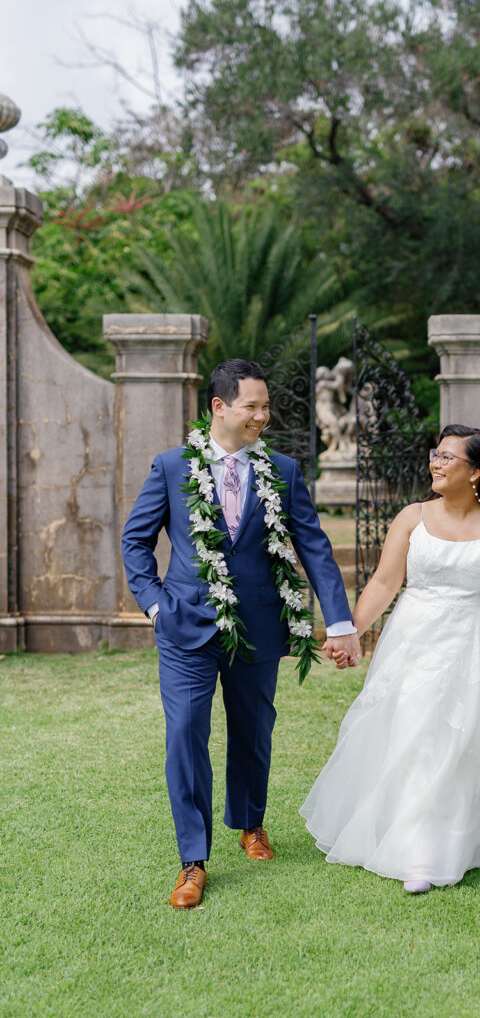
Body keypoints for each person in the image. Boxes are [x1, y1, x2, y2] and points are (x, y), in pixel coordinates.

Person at [122, 359, 360, 908]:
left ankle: (251, 823)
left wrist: (341, 621)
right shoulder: (171, 466)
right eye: (252, 406)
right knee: (185, 733)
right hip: (184, 626)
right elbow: (136, 542)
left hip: (257, 625)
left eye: (266, 406)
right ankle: (192, 860)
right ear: (219, 407)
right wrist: (157, 607)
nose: (262, 416)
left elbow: (314, 546)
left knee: (254, 730)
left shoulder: (283, 470)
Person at [300, 424, 480, 893]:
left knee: (466, 743)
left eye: (448, 458)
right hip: (415, 643)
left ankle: (457, 839)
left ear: (476, 472)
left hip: (477, 645)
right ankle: (419, 853)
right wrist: (350, 630)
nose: (435, 463)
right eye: (435, 455)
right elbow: (383, 582)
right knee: (419, 738)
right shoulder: (412, 517)